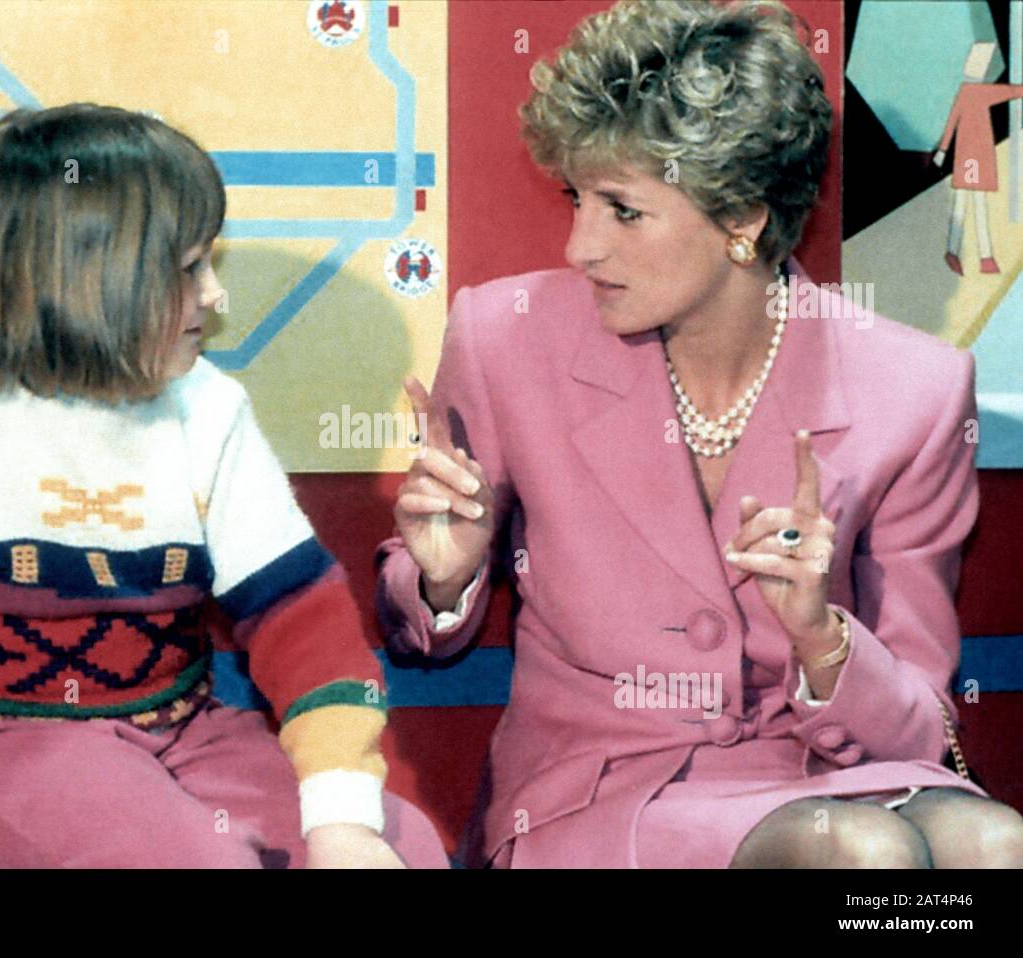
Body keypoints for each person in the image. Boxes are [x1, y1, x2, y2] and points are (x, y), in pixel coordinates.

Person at [376, 0, 1023, 868]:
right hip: (597, 792)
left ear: (742, 219)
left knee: (993, 843)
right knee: (863, 858)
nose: (580, 245)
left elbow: (921, 727)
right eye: (579, 198)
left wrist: (823, 636)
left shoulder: (917, 389)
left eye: (623, 211)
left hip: (826, 772)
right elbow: (421, 624)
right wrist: (444, 576)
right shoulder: (505, 336)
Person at [0, 104, 447, 869]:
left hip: (178, 736)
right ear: (82, 283)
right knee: (190, 860)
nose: (215, 296)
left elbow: (304, 625)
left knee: (406, 847)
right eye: (188, 270)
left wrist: (343, 823)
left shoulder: (207, 408)